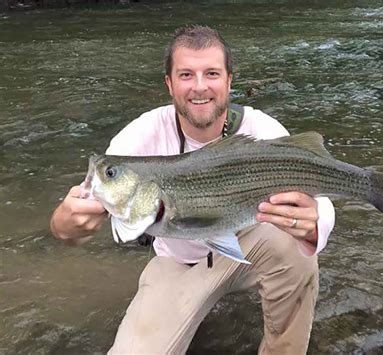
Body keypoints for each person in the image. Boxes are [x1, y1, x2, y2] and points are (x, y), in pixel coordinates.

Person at [50, 25, 335, 354]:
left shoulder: (263, 130)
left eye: (211, 73)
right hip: (176, 266)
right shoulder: (138, 139)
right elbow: (67, 228)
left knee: (292, 243)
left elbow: (321, 195)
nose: (199, 87)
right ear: (169, 84)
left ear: (229, 80)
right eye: (186, 75)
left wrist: (314, 221)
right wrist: (68, 222)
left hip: (249, 255)